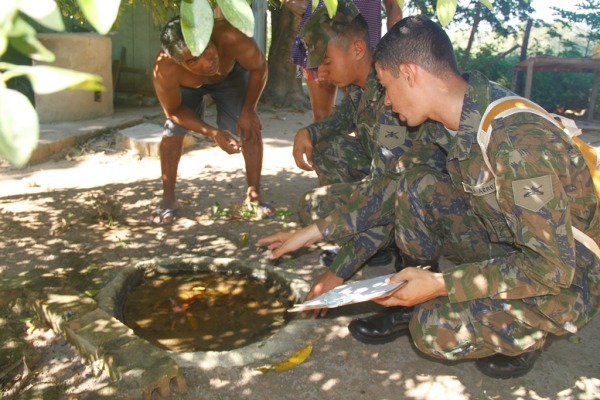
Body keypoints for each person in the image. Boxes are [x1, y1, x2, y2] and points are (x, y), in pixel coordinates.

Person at [364, 15, 600, 379]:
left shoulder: (517, 143)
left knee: (434, 329)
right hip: (511, 240)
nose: (386, 99)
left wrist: (444, 285)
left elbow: (552, 268)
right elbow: (387, 186)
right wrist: (322, 244)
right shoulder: (450, 117)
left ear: (410, 74)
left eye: (385, 85)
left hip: (568, 272)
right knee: (417, 184)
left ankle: (529, 336)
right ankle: (412, 291)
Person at [258, 2, 445, 319]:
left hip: (415, 196)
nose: (321, 72)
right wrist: (310, 131)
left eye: (327, 61)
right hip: (384, 179)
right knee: (324, 157)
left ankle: (407, 266)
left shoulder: (394, 94)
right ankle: (372, 241)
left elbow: (387, 193)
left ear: (358, 49)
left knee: (326, 208)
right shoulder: (360, 87)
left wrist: (338, 273)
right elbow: (343, 118)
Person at [150, 15, 269, 225]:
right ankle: (168, 199)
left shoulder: (231, 36)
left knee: (250, 127)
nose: (206, 62)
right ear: (177, 61)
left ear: (210, 36)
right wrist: (212, 132)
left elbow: (259, 67)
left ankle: (255, 196)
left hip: (230, 77)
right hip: (188, 88)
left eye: (205, 48)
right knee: (172, 131)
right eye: (193, 60)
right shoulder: (165, 68)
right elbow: (174, 110)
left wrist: (248, 110)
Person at [290, 0, 402, 121]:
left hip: (361, 40)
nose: (322, 71)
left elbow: (392, 5)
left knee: (367, 115)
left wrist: (395, 49)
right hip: (317, 35)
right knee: (322, 118)